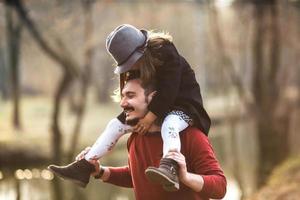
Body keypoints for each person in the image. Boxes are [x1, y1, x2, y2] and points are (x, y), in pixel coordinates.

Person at [48, 24, 211, 191]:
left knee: (169, 125)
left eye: (132, 62)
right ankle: (85, 165)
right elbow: (135, 174)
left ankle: (170, 166)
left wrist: (149, 118)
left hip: (184, 106)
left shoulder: (165, 53)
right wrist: (101, 172)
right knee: (115, 125)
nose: (131, 68)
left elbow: (169, 89)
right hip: (155, 106)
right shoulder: (138, 66)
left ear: (142, 51)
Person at [78, 77, 226, 200]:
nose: (122, 103)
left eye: (130, 96)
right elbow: (137, 176)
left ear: (153, 98)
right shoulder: (135, 138)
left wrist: (186, 177)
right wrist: (100, 172)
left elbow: (220, 187)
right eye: (122, 96)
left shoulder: (190, 136)